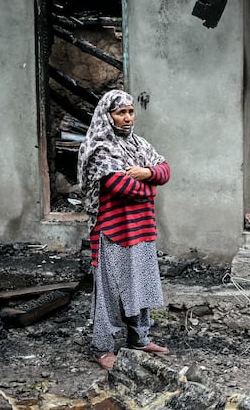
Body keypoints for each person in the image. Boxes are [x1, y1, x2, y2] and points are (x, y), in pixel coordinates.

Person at [77, 89, 171, 370]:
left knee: (139, 286)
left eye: (130, 111)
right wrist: (151, 187)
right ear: (108, 116)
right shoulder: (99, 149)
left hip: (141, 229)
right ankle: (103, 348)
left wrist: (147, 174)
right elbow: (121, 187)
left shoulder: (139, 145)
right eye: (121, 112)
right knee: (109, 293)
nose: (128, 117)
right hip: (113, 232)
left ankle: (139, 339)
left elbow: (165, 169)